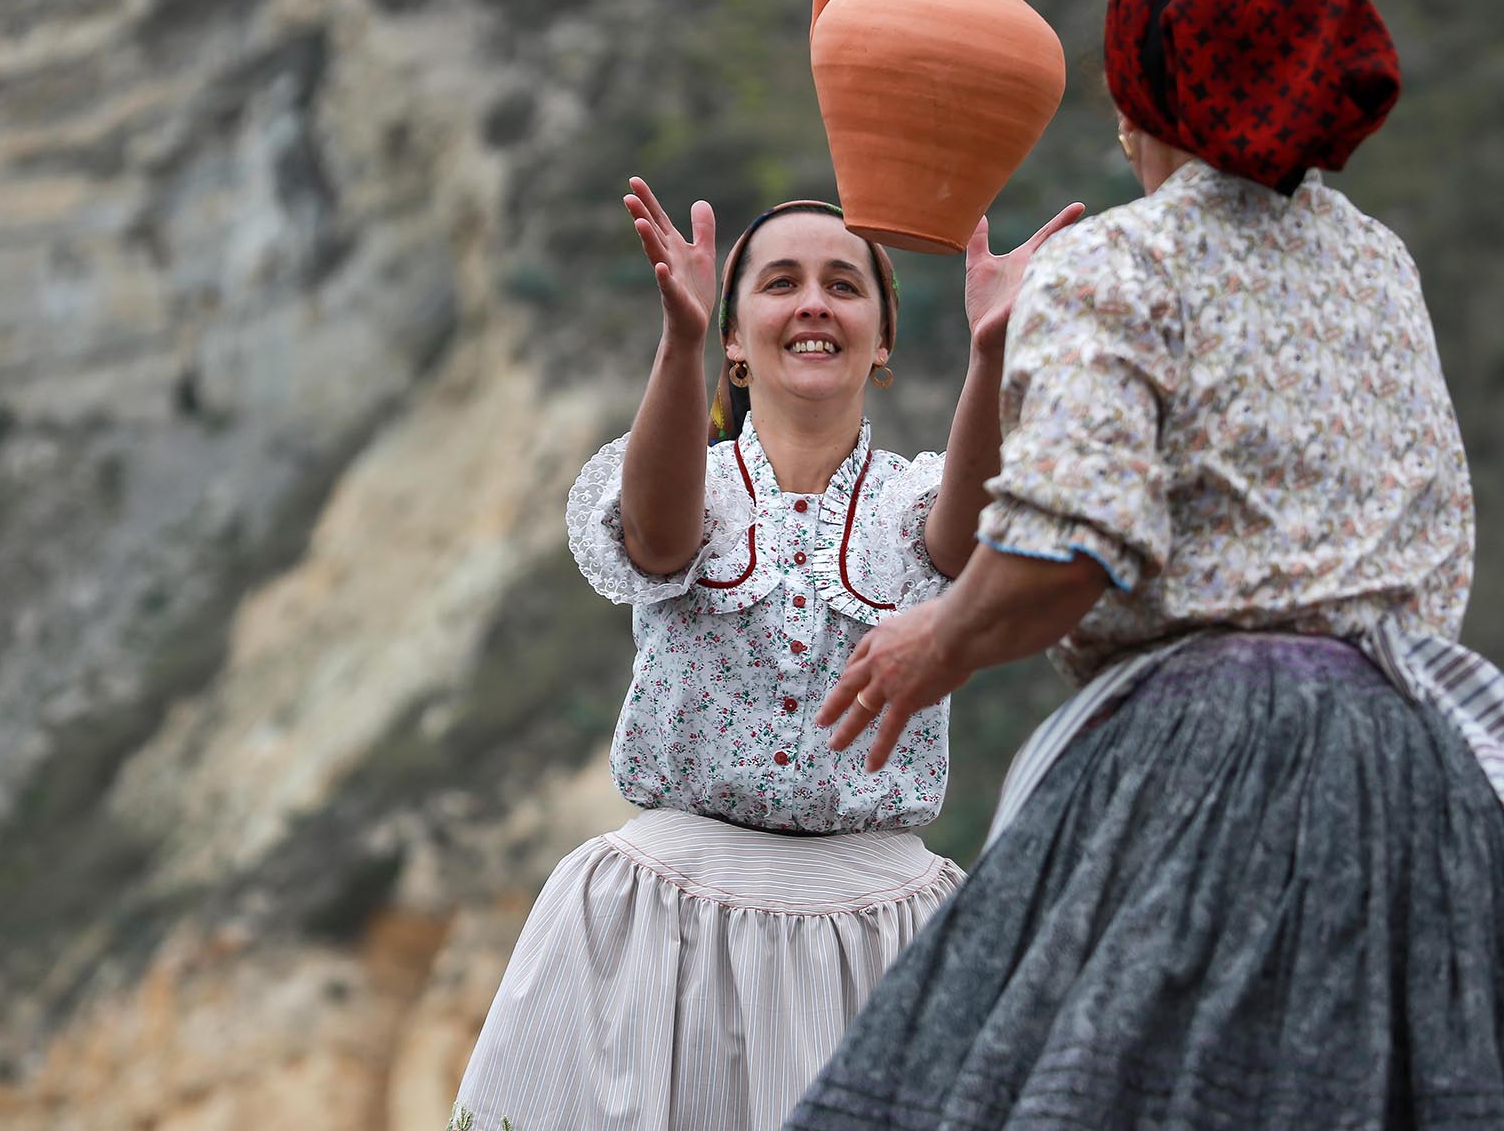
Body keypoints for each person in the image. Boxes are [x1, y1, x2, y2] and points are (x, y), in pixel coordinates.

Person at [787, 0, 1504, 1130]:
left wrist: (932, 647)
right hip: (1423, 769)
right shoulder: (1379, 264)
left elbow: (1067, 549)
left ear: (1137, 96)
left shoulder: (1120, 268)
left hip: (1209, 772)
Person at [447, 178, 1083, 1130]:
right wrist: (680, 340)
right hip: (667, 928)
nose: (814, 302)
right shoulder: (693, 489)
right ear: (736, 340)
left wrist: (994, 350)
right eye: (780, 282)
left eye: (844, 284)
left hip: (877, 938)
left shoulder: (913, 507)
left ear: (883, 343)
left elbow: (971, 535)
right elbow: (658, 540)